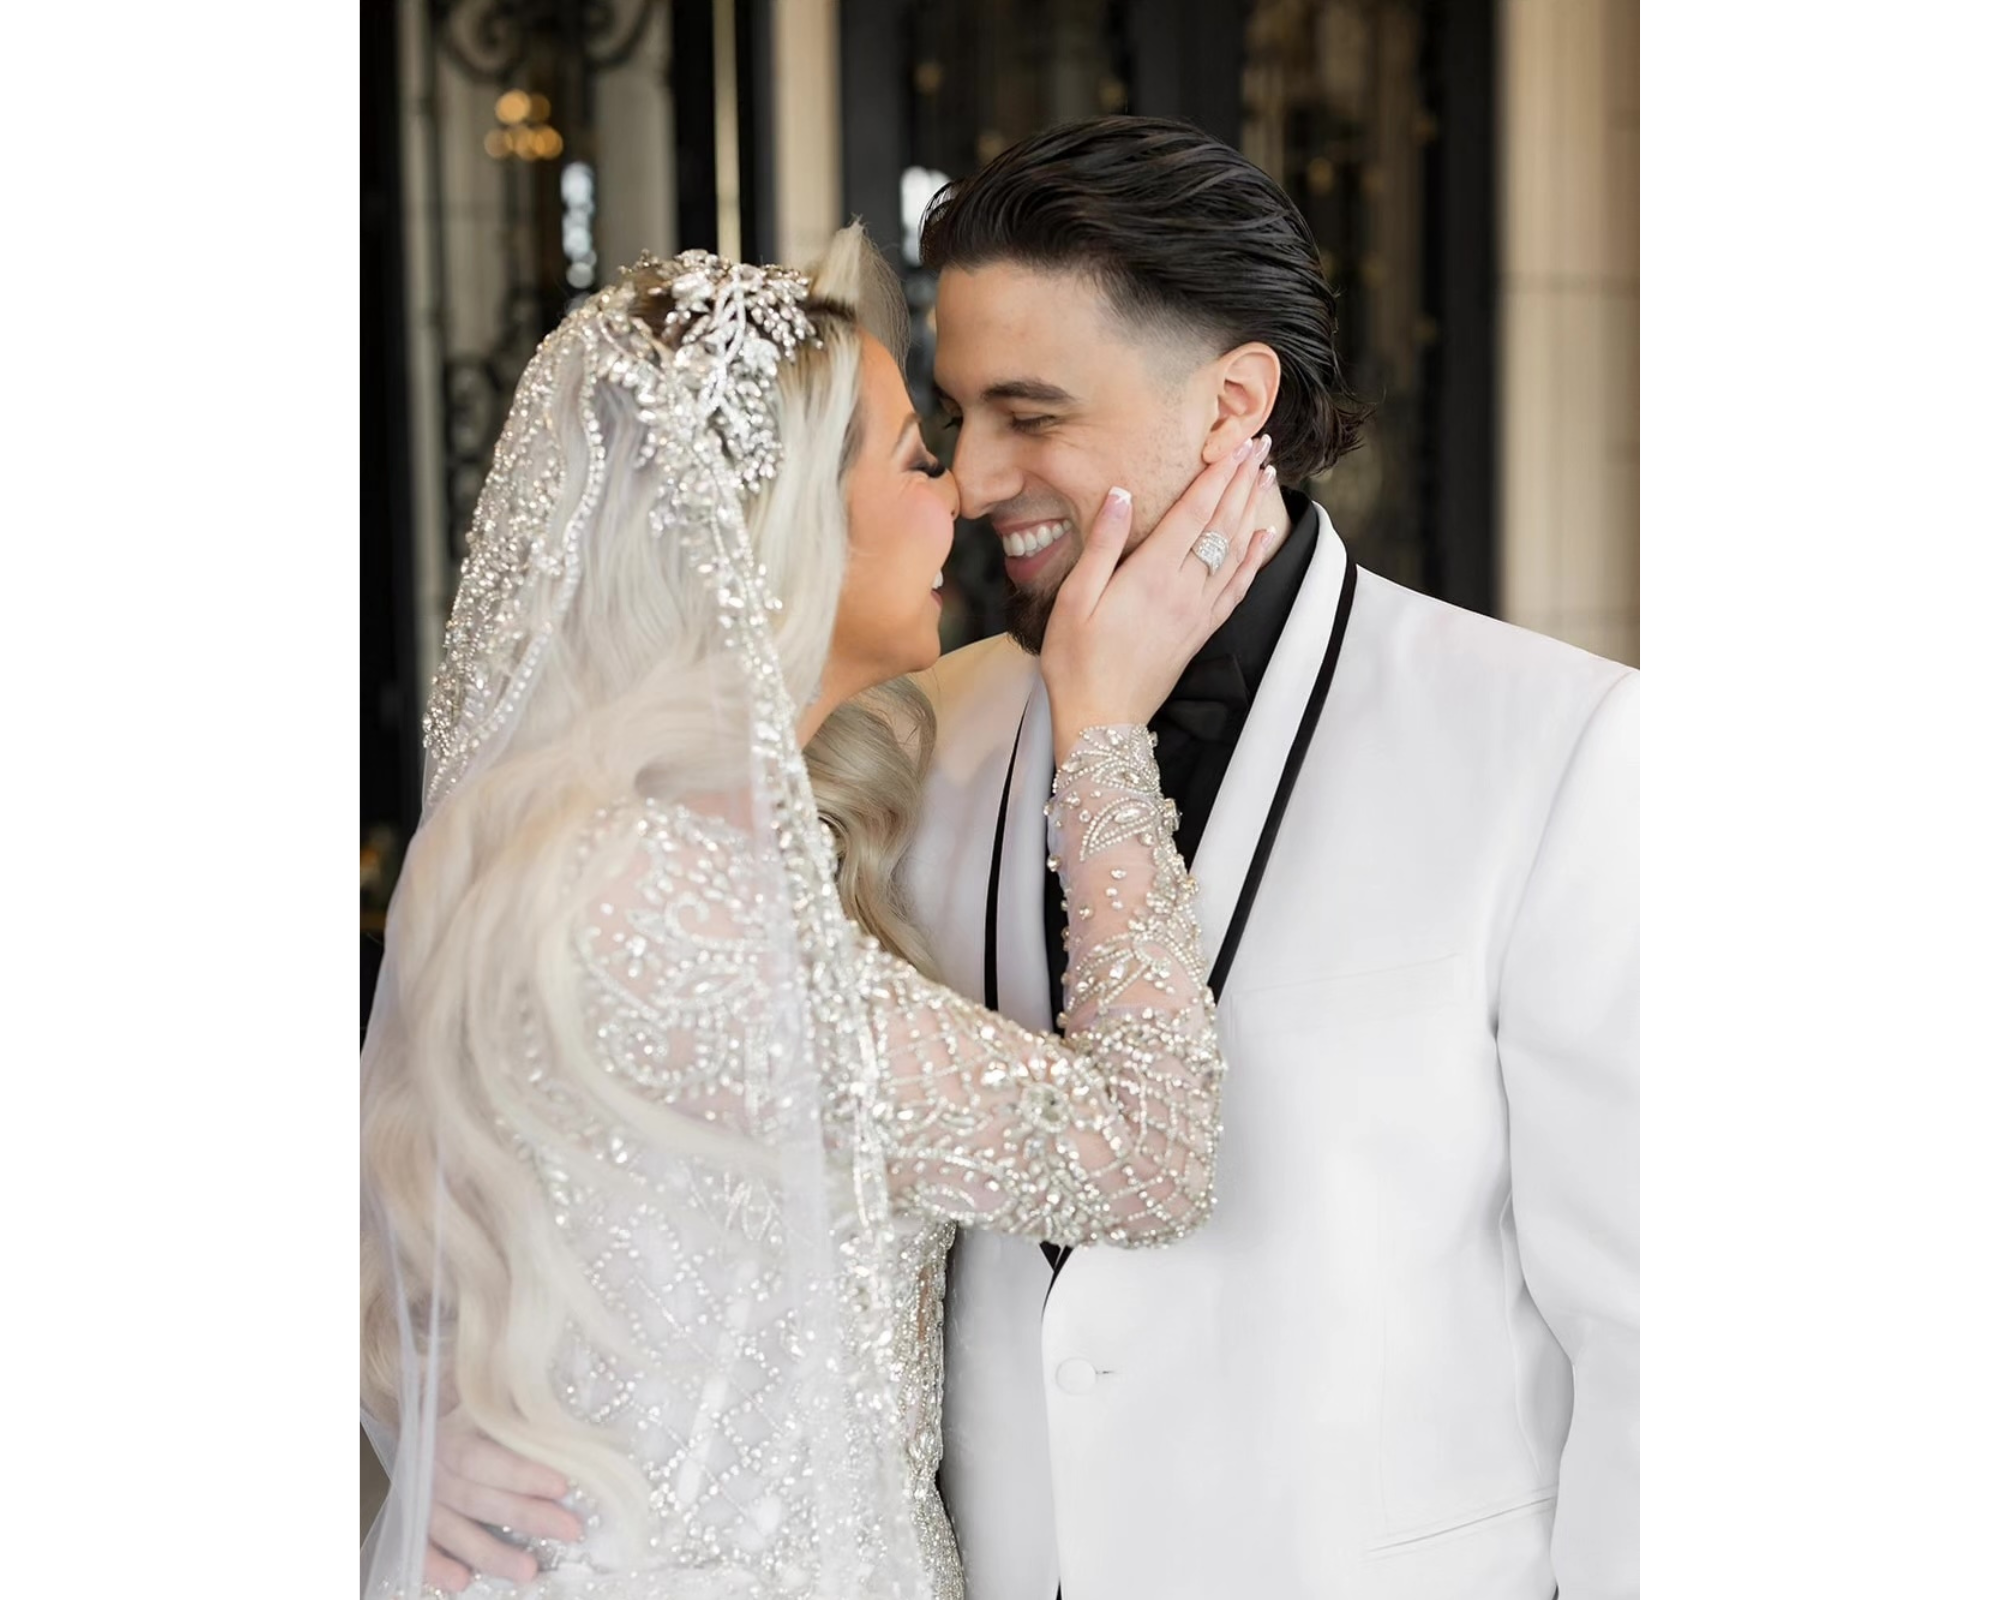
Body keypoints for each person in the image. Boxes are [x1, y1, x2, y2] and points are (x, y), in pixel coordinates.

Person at [437, 116, 1639, 1599]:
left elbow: (1662, 1338)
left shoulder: (1554, 751)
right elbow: (520, 1114)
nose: (975, 474)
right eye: (946, 418)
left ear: (1232, 406)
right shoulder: (893, 741)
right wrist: (423, 1415)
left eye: (1031, 411)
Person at [359, 225, 1279, 1599]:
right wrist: (1103, 732)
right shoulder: (649, 895)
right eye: (919, 456)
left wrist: (401, 1387)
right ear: (780, 521)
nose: (961, 497)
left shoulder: (603, 841)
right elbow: (1142, 1159)